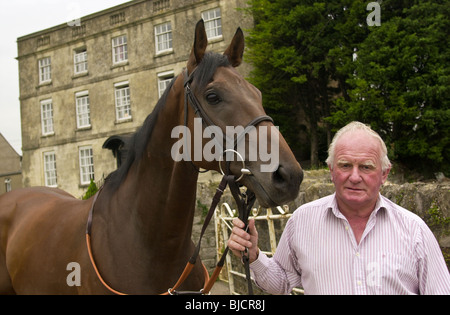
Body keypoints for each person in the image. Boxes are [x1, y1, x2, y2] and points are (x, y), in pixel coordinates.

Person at [228, 121, 450, 295]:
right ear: (331, 170)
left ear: (384, 174)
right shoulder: (303, 221)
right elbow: (283, 282)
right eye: (345, 165)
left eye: (366, 167)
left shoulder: (414, 231)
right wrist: (254, 255)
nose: (354, 176)